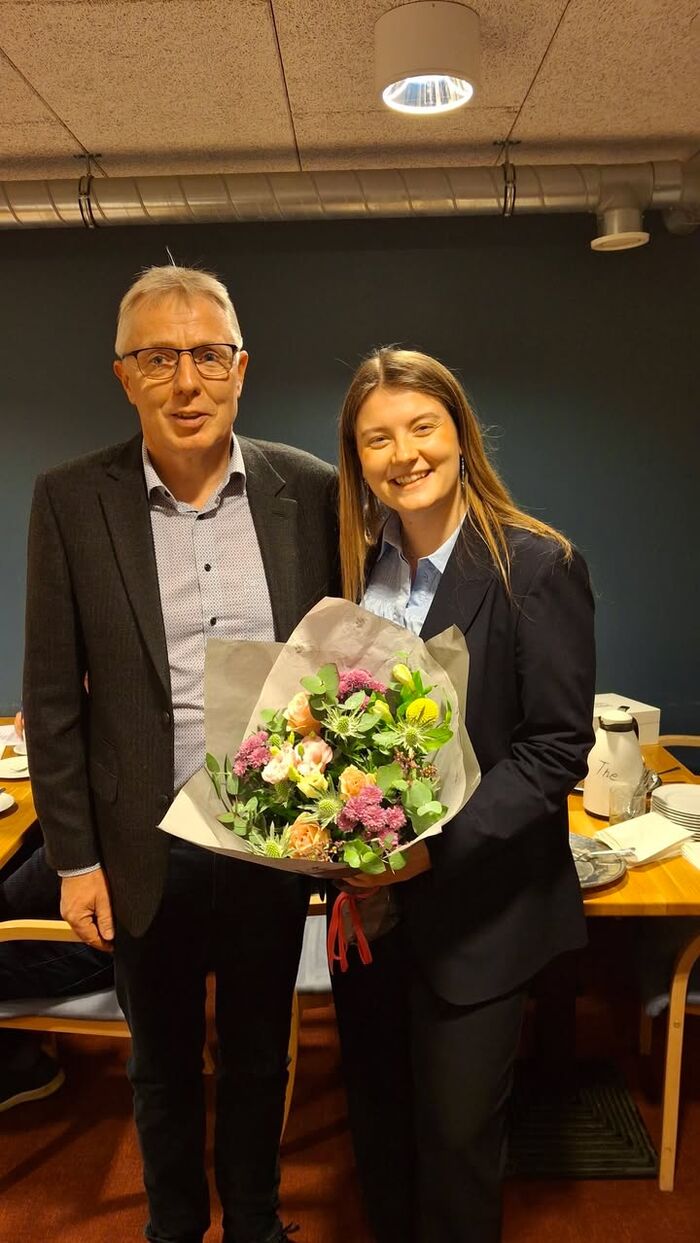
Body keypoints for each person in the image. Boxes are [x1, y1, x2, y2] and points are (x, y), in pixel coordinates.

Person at [23, 265, 338, 1243]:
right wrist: (74, 859)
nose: (187, 381)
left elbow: (343, 667)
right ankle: (172, 1226)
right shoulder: (71, 500)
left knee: (259, 1053)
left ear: (242, 368)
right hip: (140, 841)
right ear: (124, 376)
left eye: (207, 354)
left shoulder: (309, 491)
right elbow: (51, 696)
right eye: (159, 358)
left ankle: (255, 1222)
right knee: (159, 1065)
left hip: (269, 837)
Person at [330, 348, 596, 1243]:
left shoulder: (536, 565)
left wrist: (430, 848)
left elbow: (555, 748)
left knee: (456, 1144)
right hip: (369, 916)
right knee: (379, 1127)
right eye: (377, 438)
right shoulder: (354, 571)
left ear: (460, 433)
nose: (403, 453)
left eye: (421, 427)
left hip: (481, 912)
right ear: (356, 458)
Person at [0, 843, 113, 1112]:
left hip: (109, 943)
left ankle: (21, 1067)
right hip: (116, 921)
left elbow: (57, 859)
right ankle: (20, 1054)